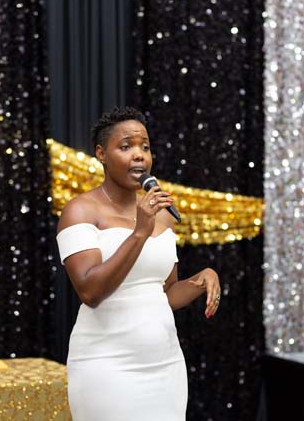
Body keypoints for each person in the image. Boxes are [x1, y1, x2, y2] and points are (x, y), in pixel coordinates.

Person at [56, 107, 221, 420]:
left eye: (145, 147)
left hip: (165, 366)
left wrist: (201, 279)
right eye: (126, 146)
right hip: (106, 366)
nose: (139, 155)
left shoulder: (161, 214)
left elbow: (165, 294)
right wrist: (139, 233)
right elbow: (90, 292)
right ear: (101, 154)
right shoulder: (79, 210)